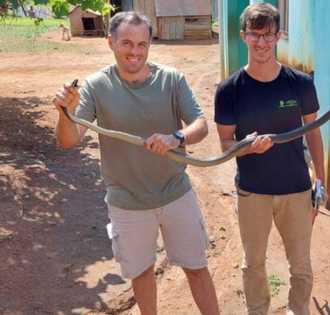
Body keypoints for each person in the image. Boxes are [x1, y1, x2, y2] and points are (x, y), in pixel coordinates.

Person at [53, 12, 219, 315]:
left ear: (150, 44)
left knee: (196, 267)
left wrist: (176, 137)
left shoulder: (171, 79)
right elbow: (68, 140)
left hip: (175, 193)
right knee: (142, 273)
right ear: (110, 42)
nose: (135, 52)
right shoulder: (95, 87)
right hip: (127, 202)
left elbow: (201, 124)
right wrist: (66, 112)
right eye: (127, 43)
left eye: (142, 44)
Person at [214, 3, 326, 315]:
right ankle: (258, 311)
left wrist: (321, 180)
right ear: (243, 36)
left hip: (296, 189)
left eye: (268, 35)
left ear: (279, 36)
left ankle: (298, 310)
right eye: (255, 35)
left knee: (301, 263)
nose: (261, 42)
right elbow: (225, 143)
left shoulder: (300, 83)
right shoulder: (229, 90)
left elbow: (314, 133)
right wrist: (246, 146)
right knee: (253, 264)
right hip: (253, 191)